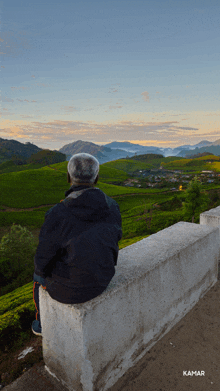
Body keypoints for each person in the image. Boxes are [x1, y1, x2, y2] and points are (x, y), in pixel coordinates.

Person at [32, 153, 122, 336]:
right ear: (96, 177)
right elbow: (115, 237)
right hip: (104, 278)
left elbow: (43, 259)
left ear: (68, 177)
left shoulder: (58, 213)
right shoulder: (112, 206)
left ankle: (41, 324)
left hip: (70, 291)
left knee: (37, 276)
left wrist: (42, 273)